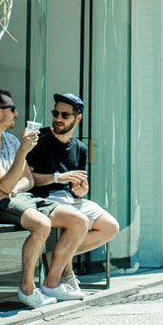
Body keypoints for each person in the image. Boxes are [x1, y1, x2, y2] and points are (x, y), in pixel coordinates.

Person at [0, 89, 90, 308]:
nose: (16, 113)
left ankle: (51, 283)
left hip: (18, 198)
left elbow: (27, 181)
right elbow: (3, 184)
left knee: (79, 221)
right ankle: (27, 288)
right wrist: (21, 156)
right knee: (42, 225)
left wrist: (11, 189)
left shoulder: (11, 141)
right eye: (11, 109)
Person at [27, 93, 119, 291]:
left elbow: (76, 188)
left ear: (78, 118)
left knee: (110, 227)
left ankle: (55, 256)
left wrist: (80, 192)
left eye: (65, 115)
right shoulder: (40, 139)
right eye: (55, 113)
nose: (58, 118)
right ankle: (54, 281)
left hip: (70, 200)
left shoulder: (80, 148)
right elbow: (27, 180)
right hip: (45, 199)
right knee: (78, 221)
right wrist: (57, 177)